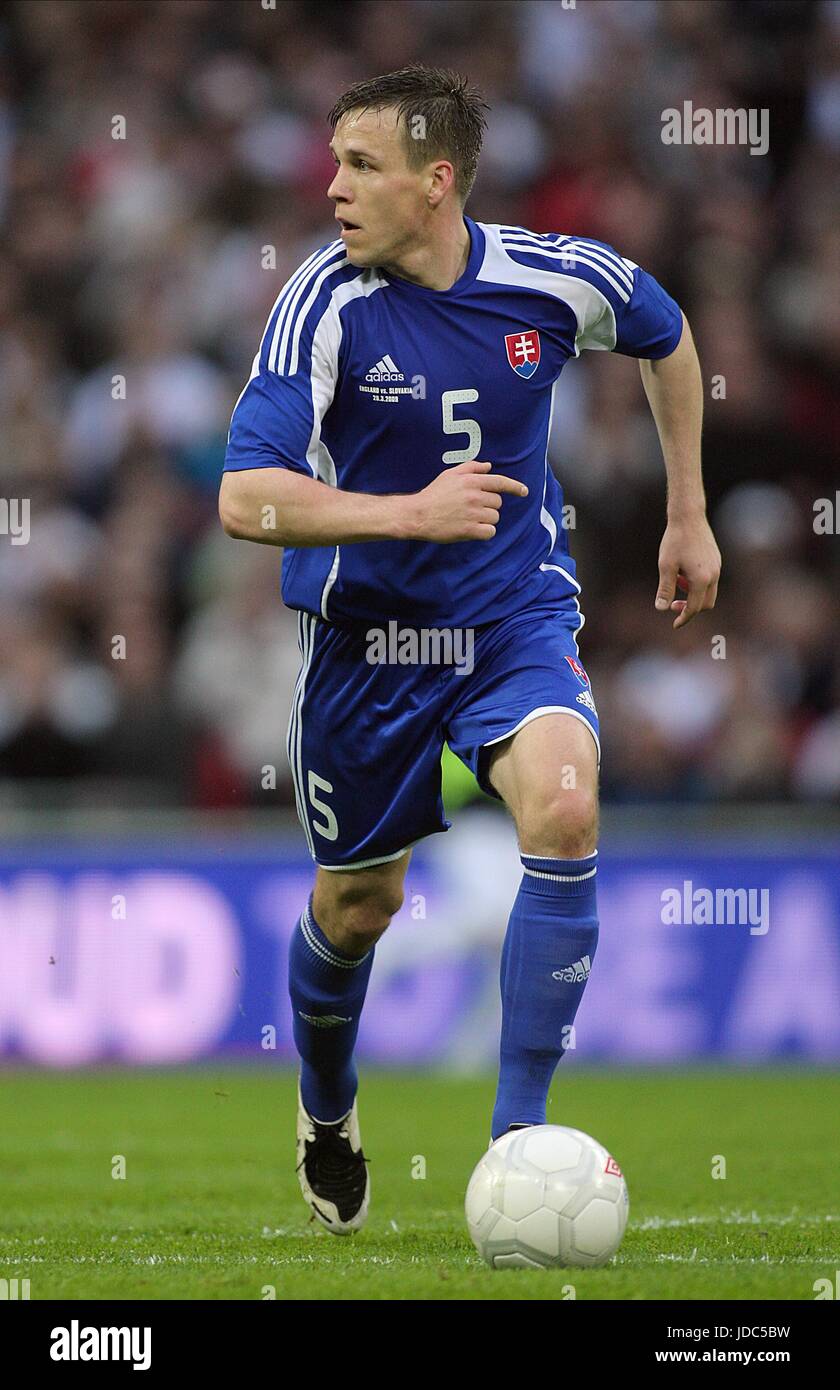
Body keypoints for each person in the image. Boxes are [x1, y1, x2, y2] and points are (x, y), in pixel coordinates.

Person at [219, 64, 721, 1235]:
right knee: (358, 907)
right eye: (333, 162)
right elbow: (247, 498)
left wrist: (687, 509)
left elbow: (668, 333)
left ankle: (517, 1144)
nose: (332, 186)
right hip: (368, 648)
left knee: (564, 807)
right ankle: (328, 1110)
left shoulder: (554, 277)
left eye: (360, 165)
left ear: (434, 182)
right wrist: (406, 513)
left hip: (512, 621)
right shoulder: (322, 303)